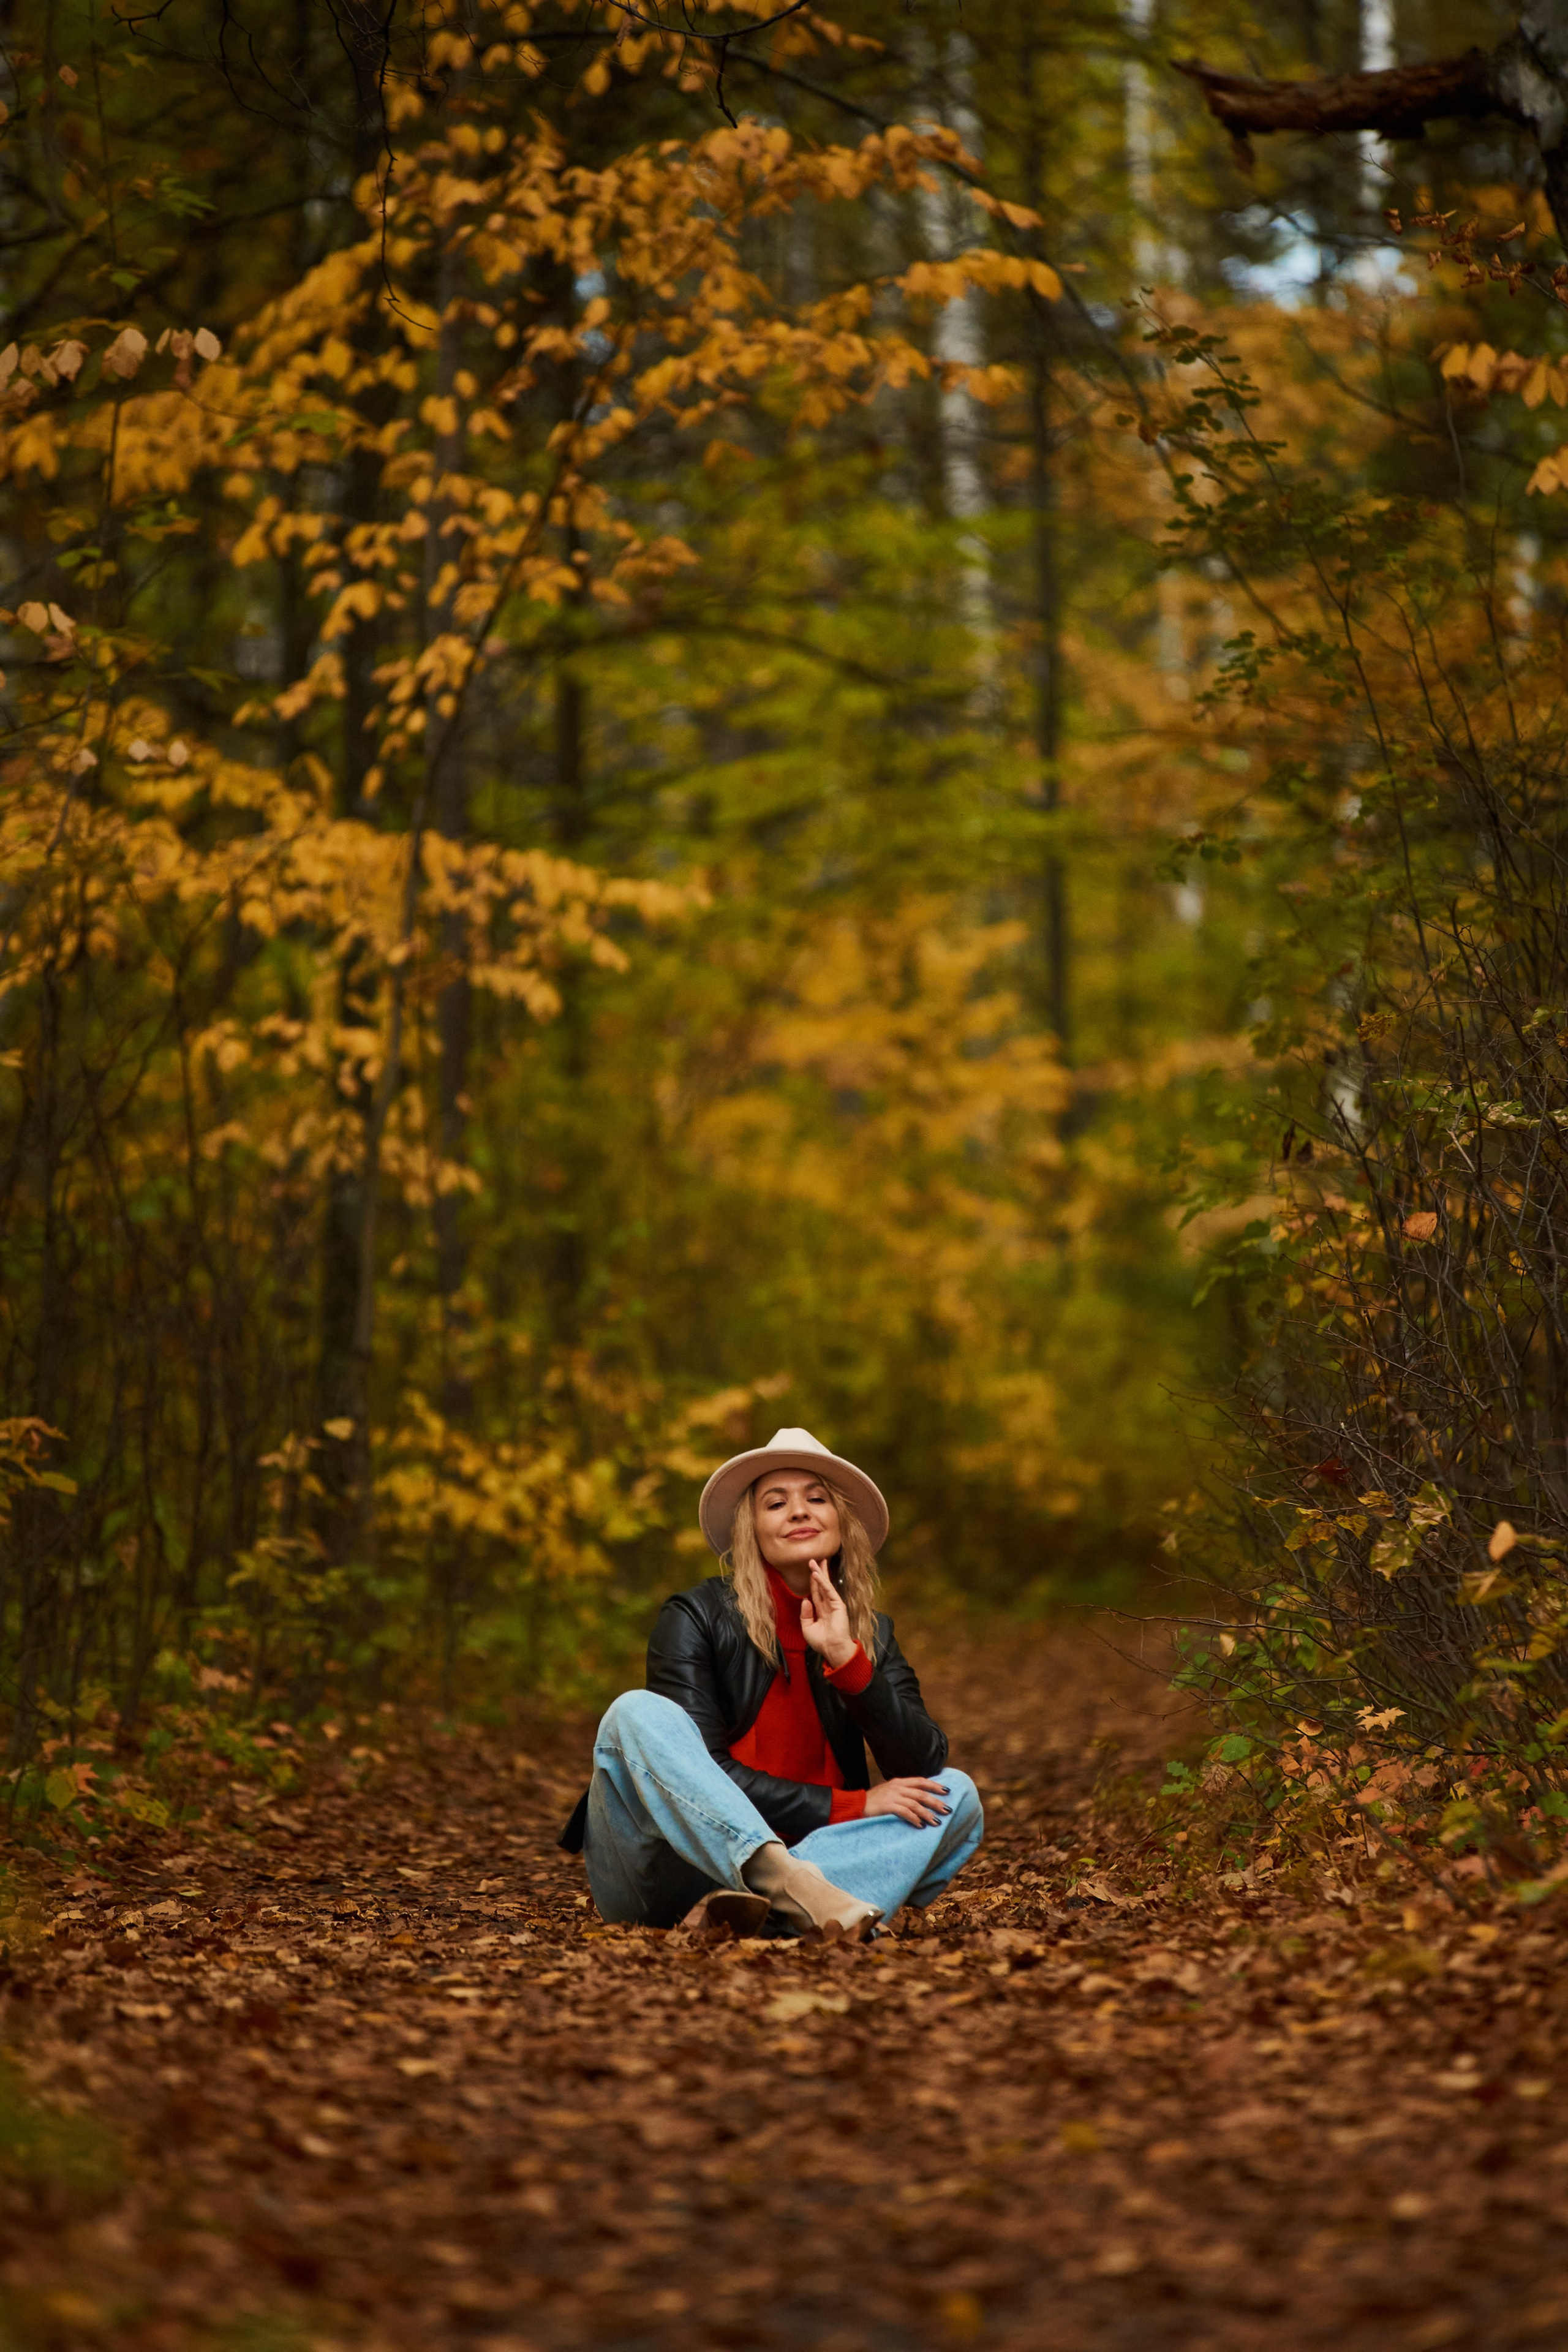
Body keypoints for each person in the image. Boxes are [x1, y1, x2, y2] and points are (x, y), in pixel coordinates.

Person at [559, 1427, 983, 1941]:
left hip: (814, 1858)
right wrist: (852, 1806)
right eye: (776, 1503)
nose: (799, 1512)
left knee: (956, 1795)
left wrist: (847, 1660)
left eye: (817, 1499)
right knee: (634, 1713)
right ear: (751, 1531)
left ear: (842, 1521)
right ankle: (789, 1889)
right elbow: (697, 1779)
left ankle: (772, 1912)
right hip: (667, 1874)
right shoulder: (696, 1618)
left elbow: (919, 1767)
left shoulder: (872, 1634)